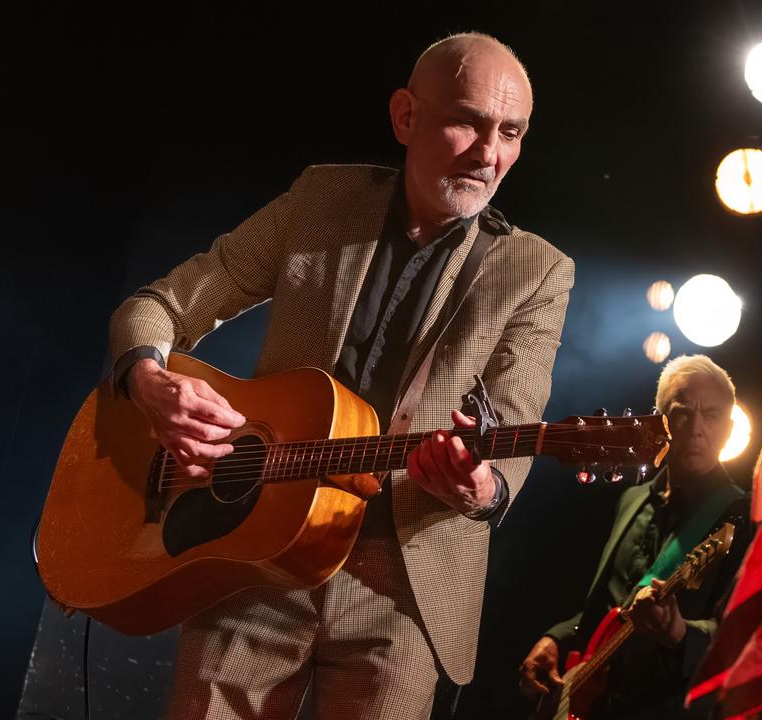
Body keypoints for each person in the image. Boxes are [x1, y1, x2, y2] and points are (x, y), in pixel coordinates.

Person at [110, 32, 573, 720]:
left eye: (510, 132)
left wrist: (482, 485)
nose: (489, 153)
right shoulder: (322, 198)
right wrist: (149, 383)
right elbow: (162, 306)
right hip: (256, 548)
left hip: (404, 582)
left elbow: (510, 417)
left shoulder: (536, 271)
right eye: (467, 122)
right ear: (405, 116)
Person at [518, 355, 752, 719]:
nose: (697, 428)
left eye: (713, 415)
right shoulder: (631, 499)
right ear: (658, 420)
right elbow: (604, 608)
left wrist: (679, 632)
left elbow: (741, 636)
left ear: (730, 427)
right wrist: (556, 639)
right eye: (682, 412)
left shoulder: (742, 515)